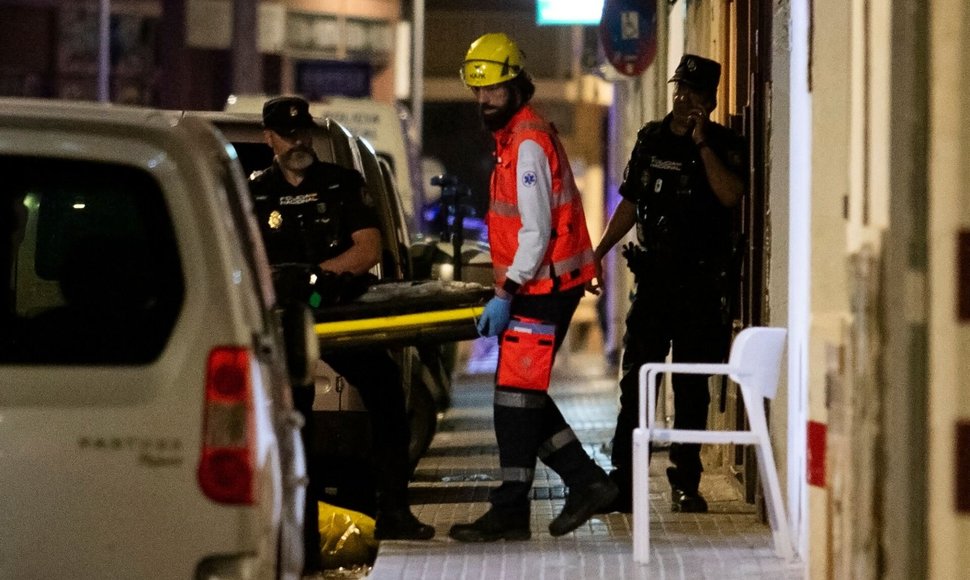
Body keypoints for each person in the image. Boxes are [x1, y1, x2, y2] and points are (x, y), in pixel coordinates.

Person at [248, 96, 434, 573]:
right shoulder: (253, 193)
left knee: (388, 395)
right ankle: (300, 529)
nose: (298, 143)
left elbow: (367, 248)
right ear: (269, 139)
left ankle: (393, 510)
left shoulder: (342, 184)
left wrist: (315, 276)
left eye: (303, 134)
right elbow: (245, 260)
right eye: (287, 136)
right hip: (289, 320)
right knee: (295, 417)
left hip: (344, 310)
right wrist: (286, 284)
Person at [448, 33, 618, 543]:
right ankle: (578, 485)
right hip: (540, 284)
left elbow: (537, 231)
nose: (484, 100)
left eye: (494, 90)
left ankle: (530, 502)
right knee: (520, 398)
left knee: (514, 400)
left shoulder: (525, 143)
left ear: (517, 85)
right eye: (478, 91)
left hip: (542, 287)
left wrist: (506, 292)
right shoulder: (514, 139)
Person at [588, 54, 747, 514]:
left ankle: (685, 482)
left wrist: (701, 145)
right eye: (679, 90)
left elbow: (730, 194)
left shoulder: (723, 144)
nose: (682, 99)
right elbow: (630, 201)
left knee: (692, 387)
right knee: (637, 380)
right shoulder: (651, 139)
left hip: (700, 282)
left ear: (711, 100)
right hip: (656, 280)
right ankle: (625, 481)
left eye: (693, 93)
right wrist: (597, 252)